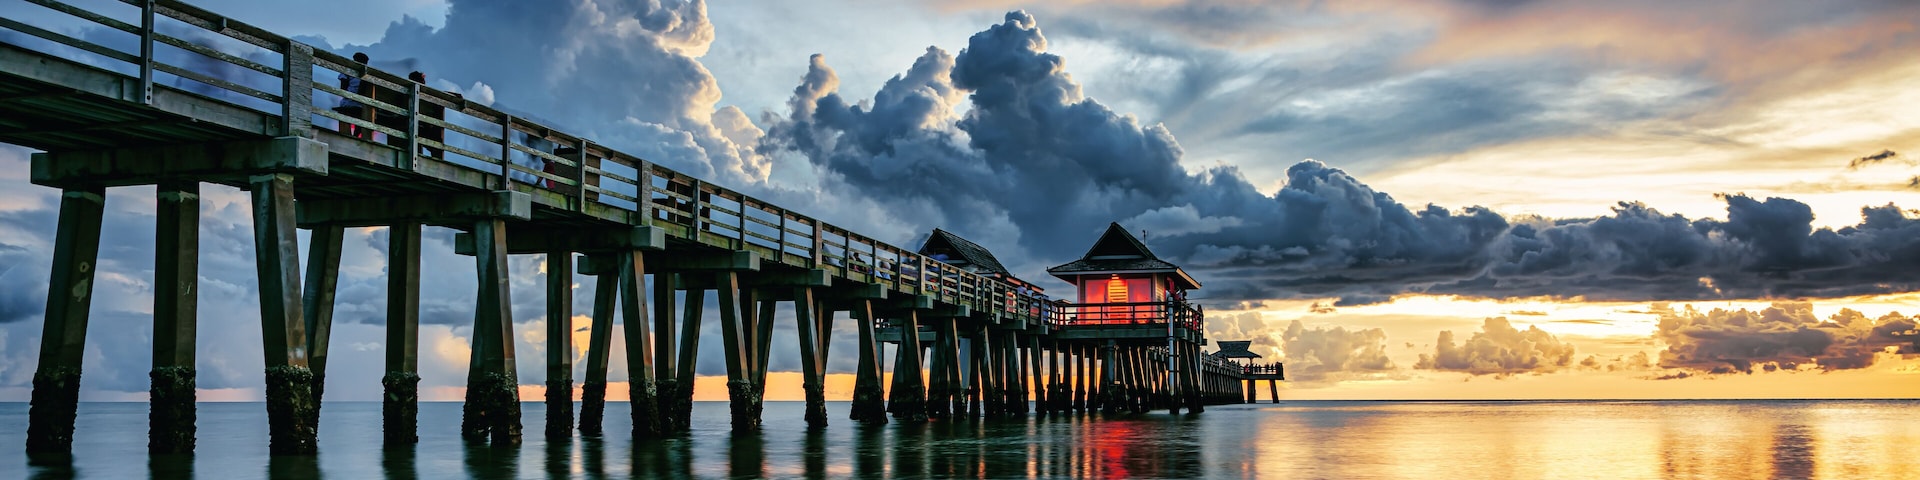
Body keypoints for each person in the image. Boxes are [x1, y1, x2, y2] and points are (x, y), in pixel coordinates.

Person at [333, 52, 373, 139]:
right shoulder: (369, 75)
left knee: (346, 107)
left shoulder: (348, 71)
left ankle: (347, 136)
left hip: (349, 103)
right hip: (363, 106)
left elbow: (342, 89)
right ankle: (356, 135)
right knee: (361, 111)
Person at [407, 71, 445, 158]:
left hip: (412, 127)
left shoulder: (406, 91)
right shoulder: (426, 97)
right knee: (435, 137)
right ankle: (436, 159)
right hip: (419, 129)